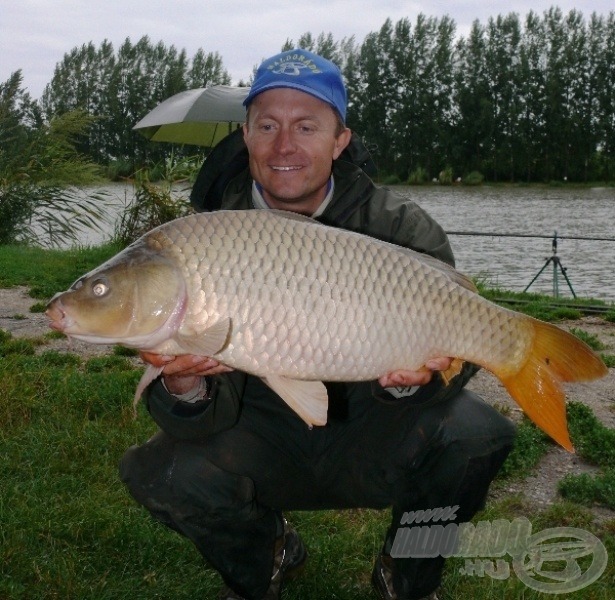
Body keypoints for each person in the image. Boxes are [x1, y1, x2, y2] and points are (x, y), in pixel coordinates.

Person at [120, 49, 516, 600]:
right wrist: (185, 385)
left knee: (477, 434)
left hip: (369, 431)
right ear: (246, 136)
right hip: (260, 436)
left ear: (340, 140)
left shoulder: (398, 228)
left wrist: (409, 388)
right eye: (268, 126)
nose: (285, 146)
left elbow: (457, 359)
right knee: (162, 470)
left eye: (306, 126)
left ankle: (408, 576)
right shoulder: (199, 240)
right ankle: (265, 556)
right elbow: (197, 424)